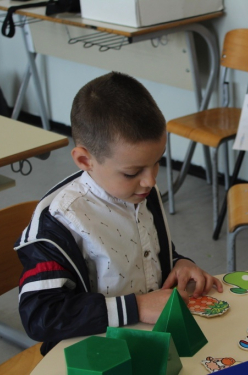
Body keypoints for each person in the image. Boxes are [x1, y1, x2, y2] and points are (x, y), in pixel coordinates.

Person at [16, 72, 223, 354]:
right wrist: (136, 306)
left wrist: (177, 262)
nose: (150, 181)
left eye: (157, 163)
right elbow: (42, 316)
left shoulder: (136, 189)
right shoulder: (58, 222)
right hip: (94, 355)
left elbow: (144, 250)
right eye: (132, 171)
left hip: (153, 342)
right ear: (85, 159)